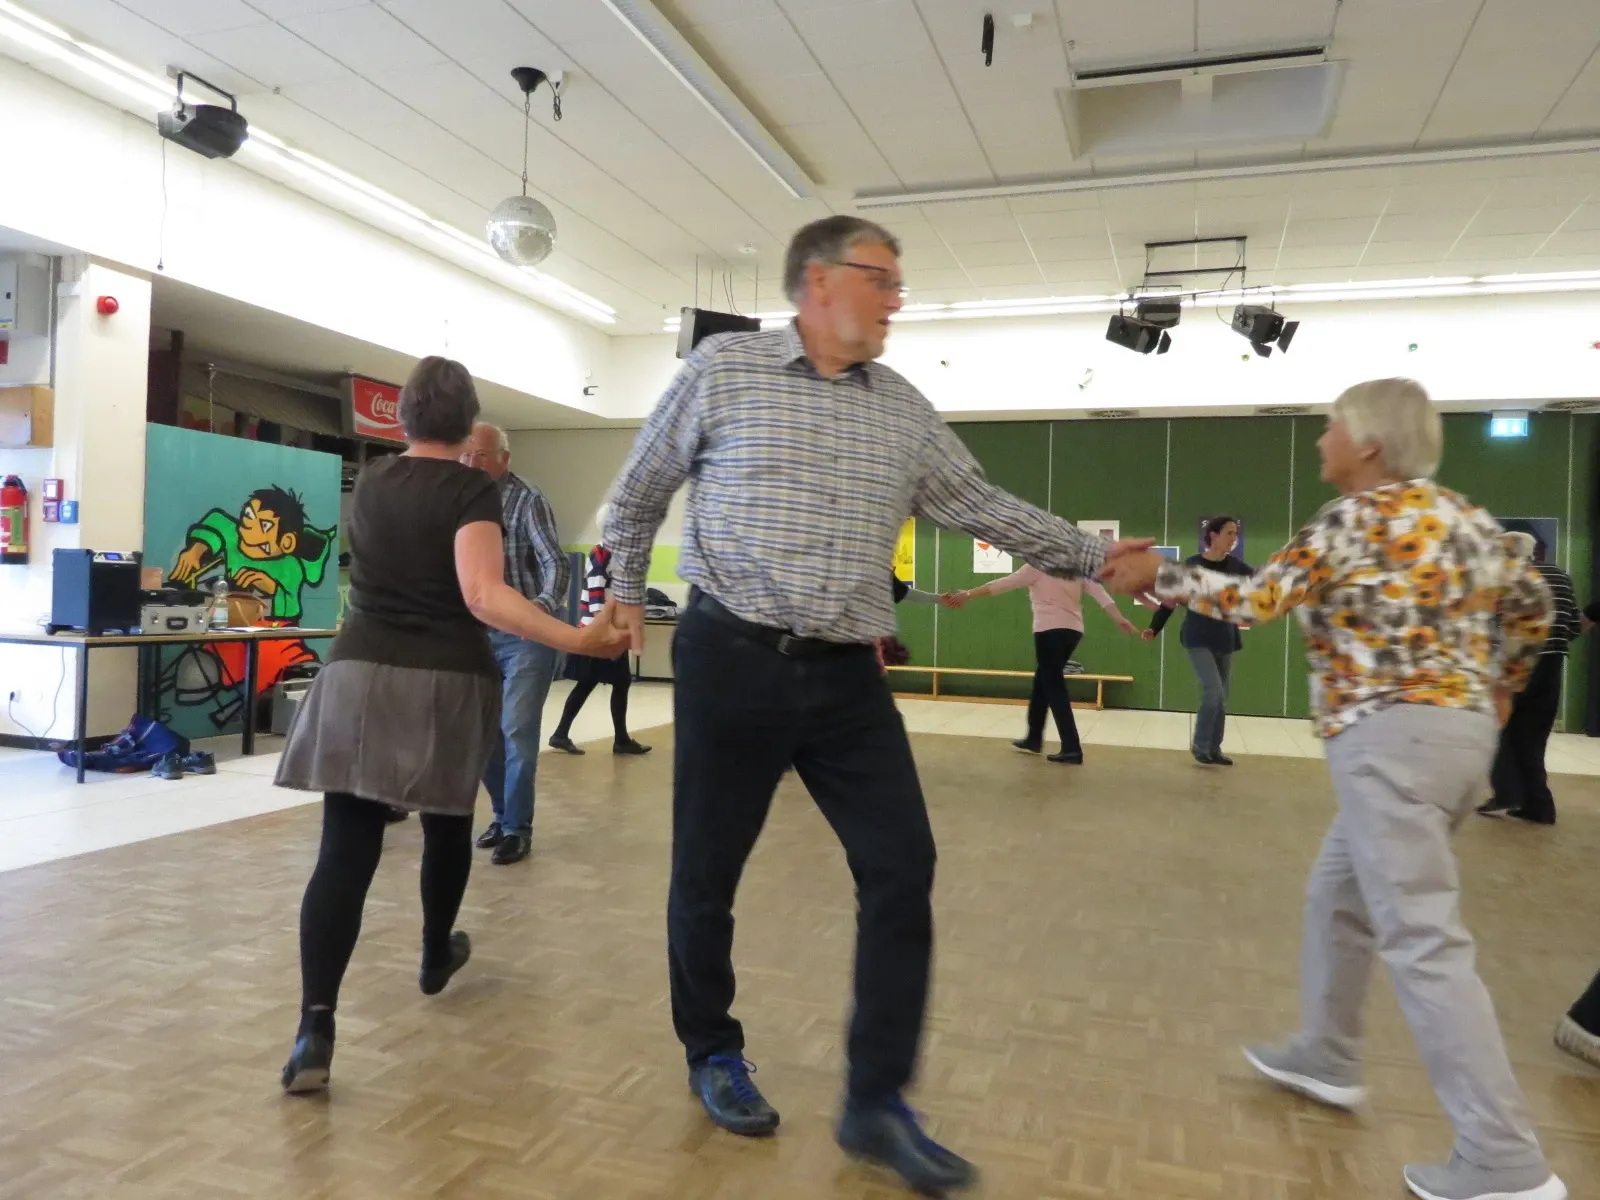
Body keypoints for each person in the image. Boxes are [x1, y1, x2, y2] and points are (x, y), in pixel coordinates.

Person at [604, 214, 1145, 1197]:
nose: (897, 299)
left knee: (902, 866)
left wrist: (1095, 555)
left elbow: (983, 506)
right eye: (881, 279)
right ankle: (713, 1050)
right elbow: (637, 493)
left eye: (897, 283)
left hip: (846, 675)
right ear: (818, 281)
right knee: (707, 873)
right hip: (732, 656)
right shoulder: (724, 370)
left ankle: (875, 1101)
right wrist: (625, 595)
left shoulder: (902, 410)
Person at [1100, 378, 1563, 1200]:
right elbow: (1531, 604)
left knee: (1423, 940)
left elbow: (1256, 600)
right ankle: (1329, 1053)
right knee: (1338, 895)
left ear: (1370, 445)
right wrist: (1503, 684)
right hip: (1457, 743)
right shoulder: (1468, 517)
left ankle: (1504, 1158)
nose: (1321, 439)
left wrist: (1159, 574)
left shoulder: (1354, 518)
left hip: (1390, 743)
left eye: (1332, 426)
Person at [274, 357, 628, 1095]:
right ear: (468, 426)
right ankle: (436, 952)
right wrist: (577, 638)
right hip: (443, 680)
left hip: (358, 674)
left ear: (402, 417)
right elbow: (483, 595)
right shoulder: (472, 488)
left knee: (344, 851)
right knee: (446, 825)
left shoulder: (373, 480)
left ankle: (315, 1027)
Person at [460, 422, 571, 866]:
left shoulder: (526, 499)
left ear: (504, 459)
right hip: (474, 635)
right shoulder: (455, 499)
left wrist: (537, 611)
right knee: (482, 734)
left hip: (523, 635)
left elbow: (556, 563)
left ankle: (517, 829)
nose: (472, 462)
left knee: (517, 730)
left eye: (482, 455)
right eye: (467, 454)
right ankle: (503, 815)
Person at [945, 566, 1136, 762]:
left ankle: (1072, 748)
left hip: (1048, 630)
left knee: (1054, 686)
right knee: (1042, 682)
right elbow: (1101, 594)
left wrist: (968, 594)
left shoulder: (1037, 565)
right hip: (1073, 631)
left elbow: (1002, 584)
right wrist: (1118, 618)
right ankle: (1033, 738)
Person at [1479, 528, 1578, 825]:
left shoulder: (1511, 577)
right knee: (1533, 736)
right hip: (1553, 663)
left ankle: (1507, 793)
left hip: (1519, 660)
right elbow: (1573, 625)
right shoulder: (1561, 577)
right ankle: (1539, 805)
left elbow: (1496, 624)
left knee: (1502, 727)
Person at [1143, 517, 1252, 765]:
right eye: (1229, 532)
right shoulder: (1192, 565)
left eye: (1235, 533)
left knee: (1222, 697)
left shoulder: (1236, 566)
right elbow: (1169, 599)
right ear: (1213, 535)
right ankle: (1201, 746)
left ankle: (1214, 748)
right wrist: (1154, 627)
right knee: (1214, 691)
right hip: (1197, 635)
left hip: (1225, 636)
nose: (1233, 538)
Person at [547, 537, 652, 757]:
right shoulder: (601, 553)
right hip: (599, 630)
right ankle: (617, 740)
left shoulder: (612, 553)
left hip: (605, 628)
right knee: (608, 682)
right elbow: (596, 593)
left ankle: (564, 734)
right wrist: (603, 628)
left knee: (603, 682)